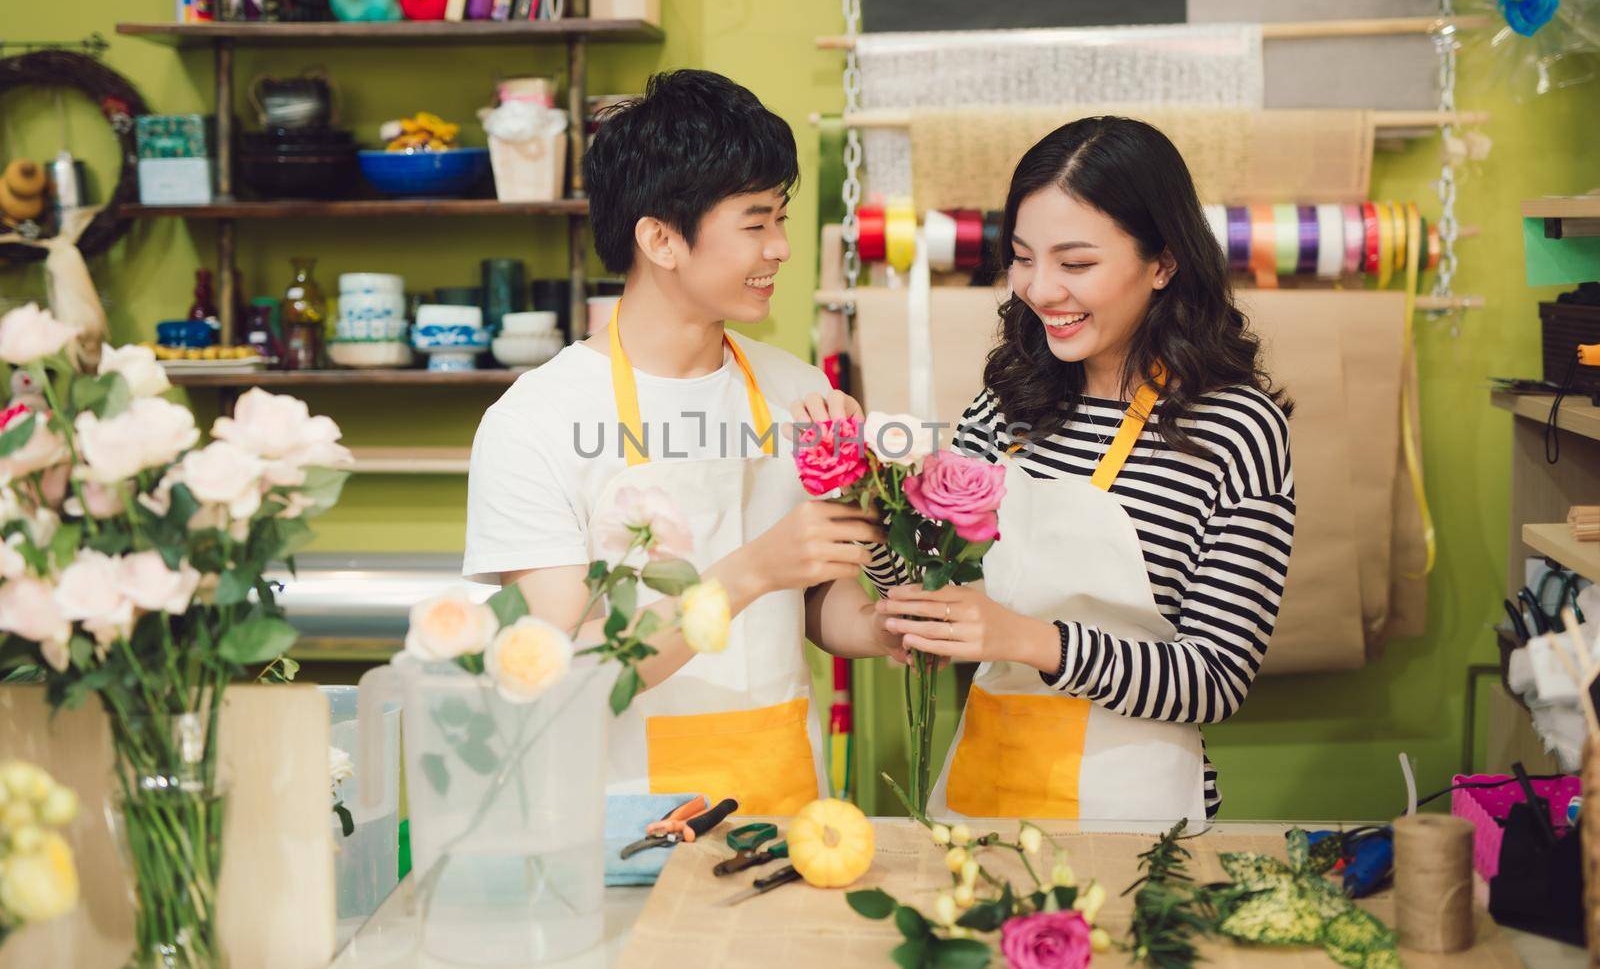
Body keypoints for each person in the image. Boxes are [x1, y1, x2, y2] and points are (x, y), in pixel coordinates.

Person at [464, 70, 896, 815]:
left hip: (787, 813)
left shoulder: (795, 389)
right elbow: (561, 676)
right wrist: (749, 572)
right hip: (620, 825)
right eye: (755, 223)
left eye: (781, 219)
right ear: (661, 239)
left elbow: (815, 606)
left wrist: (889, 625)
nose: (782, 248)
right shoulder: (533, 422)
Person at [874, 116, 1296, 824]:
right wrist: (866, 512)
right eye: (1022, 258)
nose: (1039, 291)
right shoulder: (1006, 403)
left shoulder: (1236, 431)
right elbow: (927, 584)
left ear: (1162, 262)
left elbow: (1215, 680)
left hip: (1137, 820)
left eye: (1075, 265)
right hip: (985, 803)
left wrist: (1021, 640)